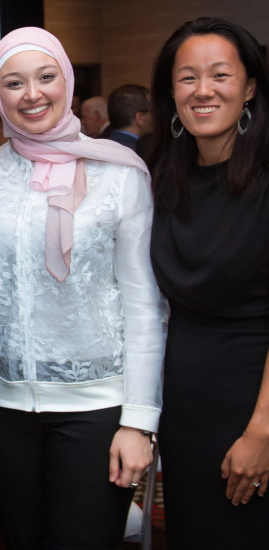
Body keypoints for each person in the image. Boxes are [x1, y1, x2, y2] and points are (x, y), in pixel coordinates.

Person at [0, 27, 166, 550]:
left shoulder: (120, 175)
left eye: (46, 77)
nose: (32, 94)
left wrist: (139, 422)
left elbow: (145, 304)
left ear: (67, 82)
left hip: (99, 412)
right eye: (14, 82)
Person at [147, 17, 269, 549]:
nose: (202, 90)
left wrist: (263, 429)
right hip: (183, 410)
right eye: (186, 77)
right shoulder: (157, 174)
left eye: (219, 74)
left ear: (249, 87)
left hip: (253, 404)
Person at [107, 84, 152, 151]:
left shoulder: (99, 148)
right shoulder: (140, 153)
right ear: (140, 118)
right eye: (153, 110)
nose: (157, 115)